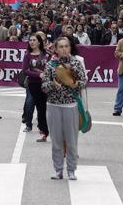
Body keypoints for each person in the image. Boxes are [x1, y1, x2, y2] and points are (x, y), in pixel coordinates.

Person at [41, 36, 87, 181]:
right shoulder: (51, 65)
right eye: (60, 47)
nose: (63, 49)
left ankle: (71, 170)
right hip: (53, 105)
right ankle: (58, 170)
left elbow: (84, 82)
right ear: (56, 49)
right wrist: (53, 85)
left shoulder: (76, 63)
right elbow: (43, 87)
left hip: (70, 105)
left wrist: (75, 85)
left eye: (66, 46)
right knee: (56, 140)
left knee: (71, 140)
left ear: (70, 47)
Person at [22, 35, 49, 141]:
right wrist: (38, 75)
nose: (32, 42)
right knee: (40, 107)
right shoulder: (27, 55)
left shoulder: (46, 54)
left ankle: (47, 129)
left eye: (34, 40)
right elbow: (25, 70)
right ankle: (43, 131)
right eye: (30, 40)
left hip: (48, 83)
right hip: (34, 84)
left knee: (48, 107)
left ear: (39, 42)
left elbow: (52, 64)